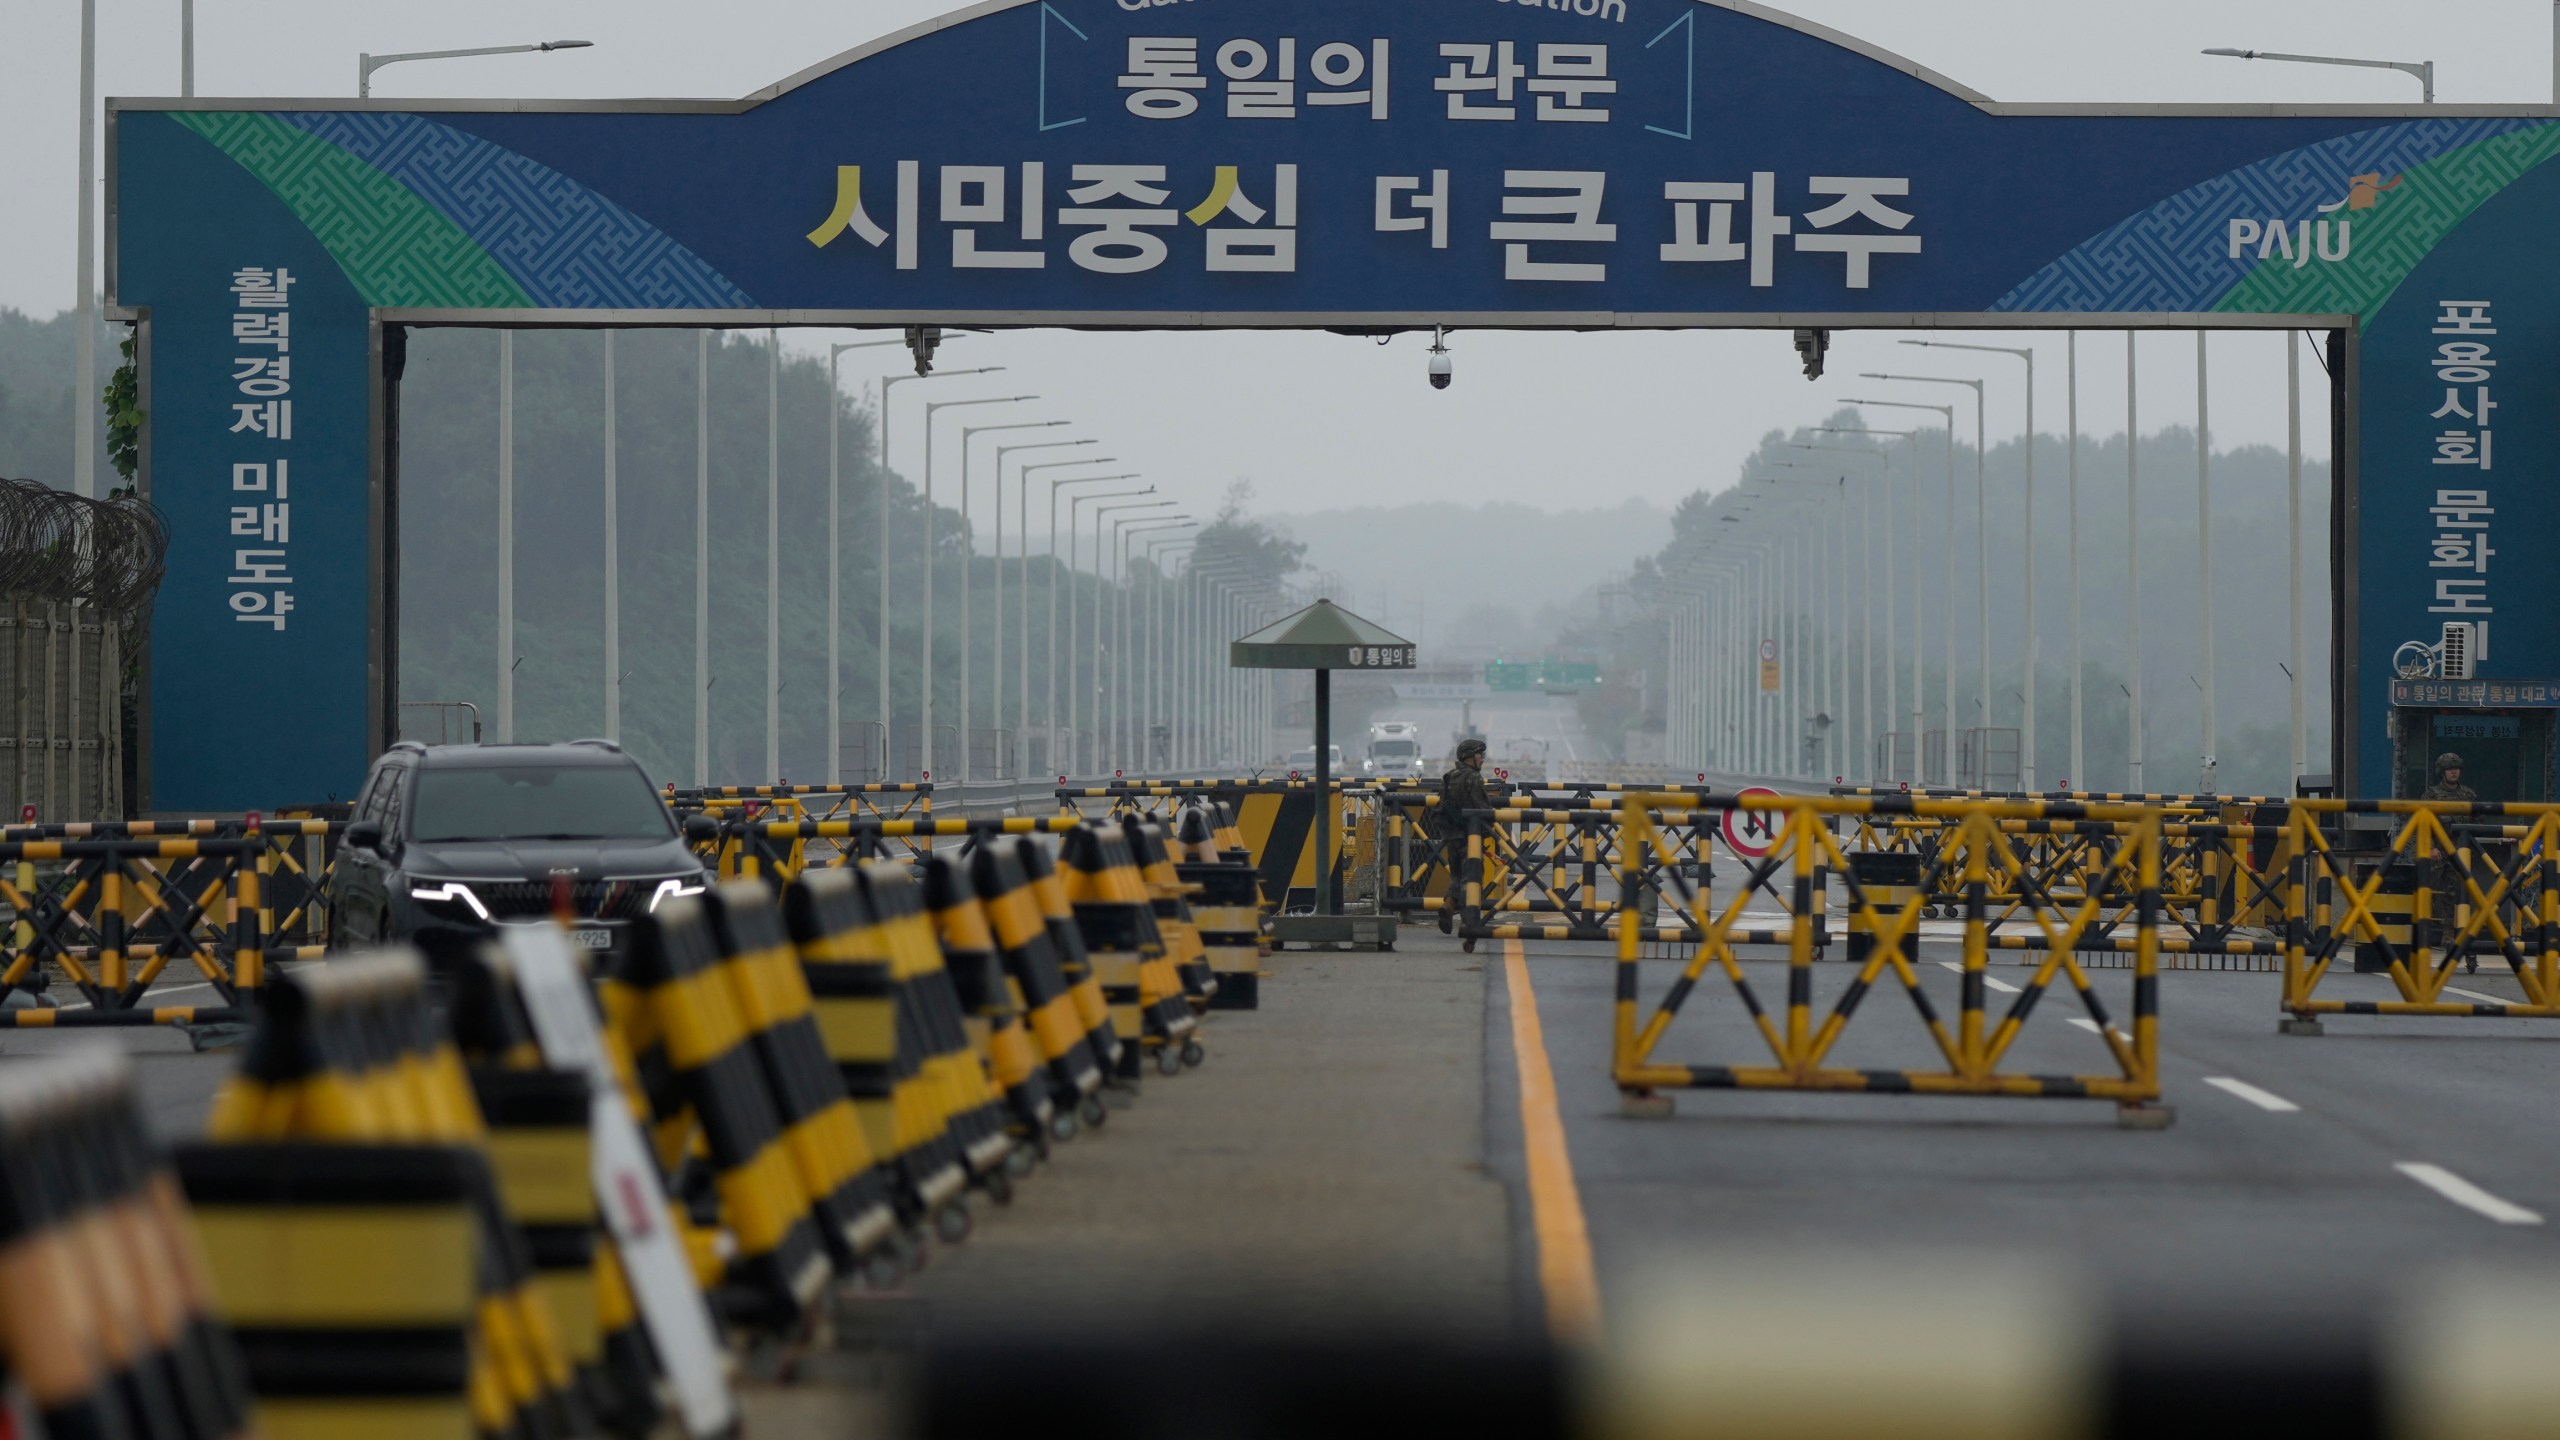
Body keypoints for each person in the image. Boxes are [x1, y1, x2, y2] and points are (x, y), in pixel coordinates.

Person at [1436, 737, 1494, 951]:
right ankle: (1469, 925)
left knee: (1458, 875)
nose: (1483, 760)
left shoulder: (1449, 777)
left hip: (1451, 835)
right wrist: (1492, 829)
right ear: (1469, 757)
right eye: (1480, 755)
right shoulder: (1473, 779)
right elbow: (1483, 809)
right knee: (1472, 880)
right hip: (1471, 837)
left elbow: (1441, 805)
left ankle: (1448, 905)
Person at [2423, 752, 2478, 973]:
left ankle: (2455, 935)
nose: (2453, 772)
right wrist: (2430, 847)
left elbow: (2478, 823)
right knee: (2435, 895)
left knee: (2460, 896)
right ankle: (2435, 933)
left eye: (2456, 768)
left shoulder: (2469, 795)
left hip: (2461, 853)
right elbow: (2422, 823)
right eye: (2449, 769)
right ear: (2442, 772)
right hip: (2439, 854)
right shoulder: (2432, 796)